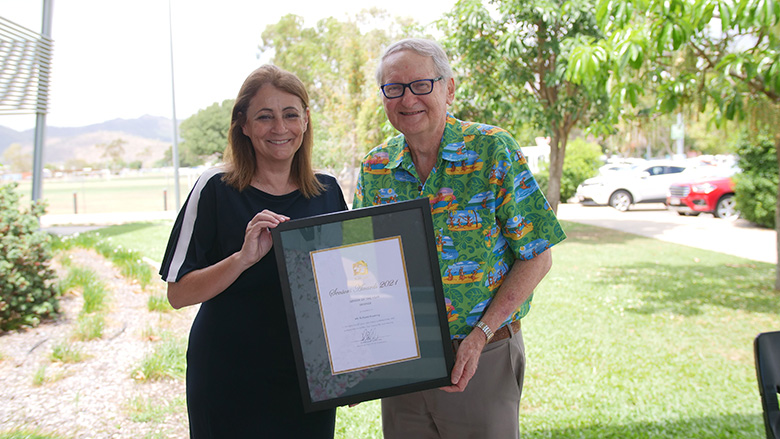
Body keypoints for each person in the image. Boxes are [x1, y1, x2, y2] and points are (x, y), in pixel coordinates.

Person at [353, 38, 567, 438]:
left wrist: (479, 336)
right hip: (404, 360)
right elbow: (363, 263)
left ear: (448, 88)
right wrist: (355, 354)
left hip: (482, 353)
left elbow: (538, 255)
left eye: (421, 84)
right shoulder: (375, 167)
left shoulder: (493, 150)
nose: (407, 98)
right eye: (393, 88)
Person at [159, 65, 347, 438]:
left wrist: (354, 367)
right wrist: (242, 259)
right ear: (243, 124)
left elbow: (343, 292)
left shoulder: (328, 191)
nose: (280, 128)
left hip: (309, 378)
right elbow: (178, 294)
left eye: (291, 114)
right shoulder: (215, 188)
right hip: (228, 376)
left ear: (306, 121)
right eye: (265, 116)